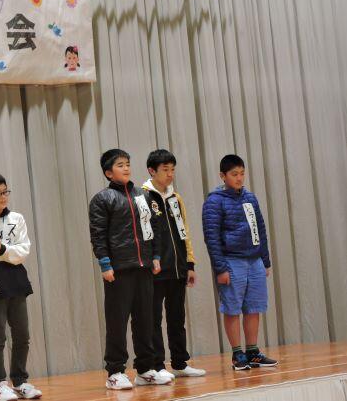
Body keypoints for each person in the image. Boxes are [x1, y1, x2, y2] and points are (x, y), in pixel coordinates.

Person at [89, 149, 172, 390]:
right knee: (117, 322)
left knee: (145, 320)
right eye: (120, 165)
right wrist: (105, 264)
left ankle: (145, 369)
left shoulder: (142, 195)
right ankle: (115, 372)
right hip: (119, 269)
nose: (126, 168)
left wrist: (155, 256)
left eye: (127, 163)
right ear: (108, 173)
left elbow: (153, 227)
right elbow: (98, 235)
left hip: (144, 267)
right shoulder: (102, 199)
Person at [202, 155, 278, 370]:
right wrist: (220, 268)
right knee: (232, 308)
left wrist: (265, 260)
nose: (239, 178)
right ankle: (237, 354)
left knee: (254, 307)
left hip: (254, 260)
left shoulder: (250, 198)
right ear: (223, 176)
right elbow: (211, 237)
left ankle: (253, 352)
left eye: (242, 173)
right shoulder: (214, 201)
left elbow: (260, 229)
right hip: (231, 260)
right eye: (234, 174)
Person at [143, 149, 206, 379]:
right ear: (152, 171)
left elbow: (184, 232)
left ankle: (180, 363)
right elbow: (144, 234)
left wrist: (190, 264)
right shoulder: (143, 197)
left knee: (177, 318)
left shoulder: (175, 198)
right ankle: (158, 365)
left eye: (173, 170)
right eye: (165, 170)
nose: (170, 174)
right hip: (156, 269)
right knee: (153, 319)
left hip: (178, 268)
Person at [0, 173, 42, 401]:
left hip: (15, 279)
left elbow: (23, 250)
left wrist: (2, 248)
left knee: (22, 335)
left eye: (5, 191)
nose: (3, 197)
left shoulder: (17, 218)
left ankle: (20, 381)